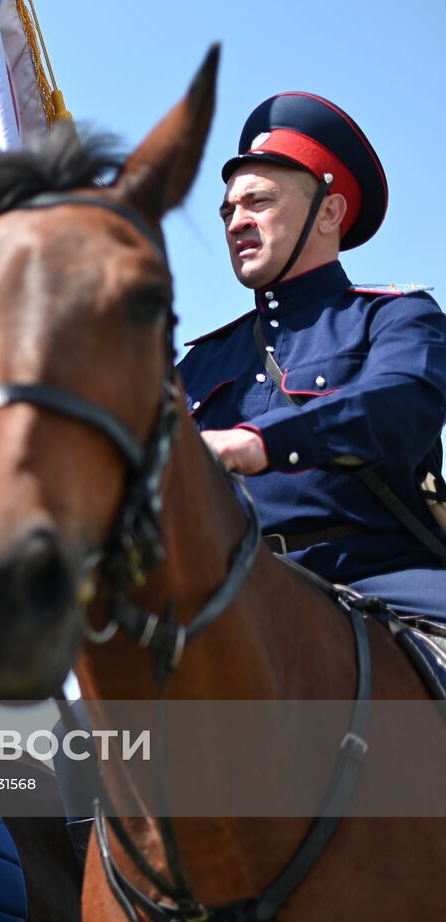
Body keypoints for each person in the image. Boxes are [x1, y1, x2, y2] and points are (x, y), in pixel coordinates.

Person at [177, 92, 446, 620]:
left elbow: (398, 406)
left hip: (378, 581)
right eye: (228, 209)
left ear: (329, 212)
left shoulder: (396, 317)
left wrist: (262, 442)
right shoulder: (199, 364)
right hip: (227, 597)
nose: (235, 222)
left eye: (259, 202)